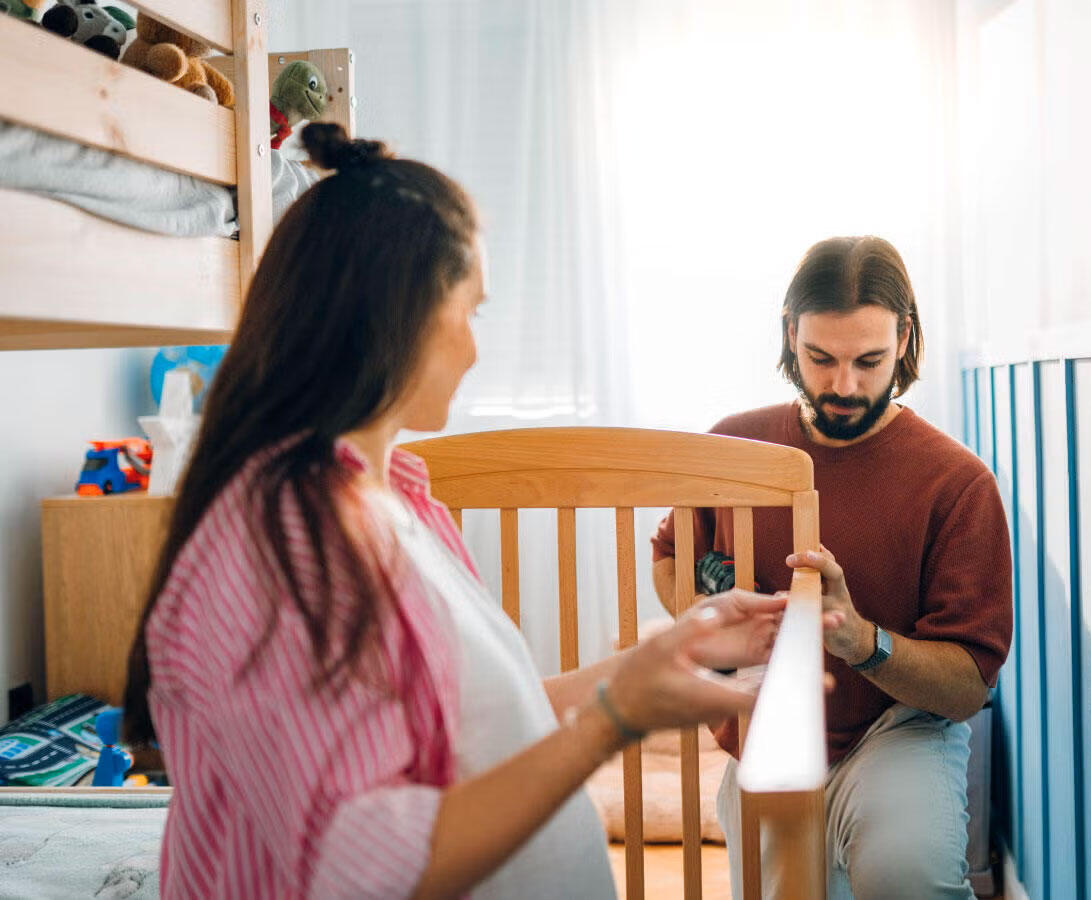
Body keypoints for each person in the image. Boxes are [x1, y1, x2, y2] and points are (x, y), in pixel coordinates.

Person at [122, 123, 789, 900]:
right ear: (395, 314)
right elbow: (364, 869)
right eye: (468, 311)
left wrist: (669, 653)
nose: (474, 350)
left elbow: (466, 731)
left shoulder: (392, 498)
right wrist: (614, 718)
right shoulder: (280, 539)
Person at [650, 236, 1013, 899]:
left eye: (868, 360)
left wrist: (858, 639)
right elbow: (673, 555)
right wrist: (710, 620)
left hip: (897, 724)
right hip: (767, 724)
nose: (844, 386)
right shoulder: (733, 446)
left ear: (904, 340)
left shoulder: (957, 483)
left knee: (907, 872)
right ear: (790, 336)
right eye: (821, 358)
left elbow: (965, 687)